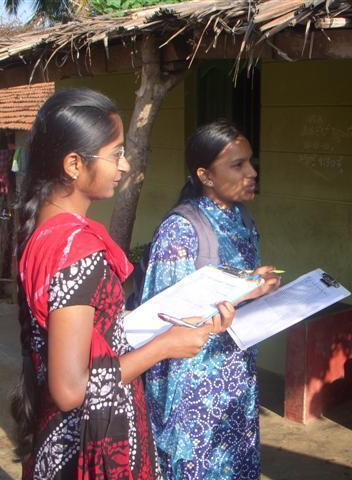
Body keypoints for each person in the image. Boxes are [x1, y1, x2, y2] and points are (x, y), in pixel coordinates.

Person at [10, 89, 235, 480]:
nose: (125, 164)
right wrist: (165, 346)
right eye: (115, 153)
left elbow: (89, 329)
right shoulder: (76, 250)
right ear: (74, 164)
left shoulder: (45, 233)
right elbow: (70, 388)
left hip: (65, 436)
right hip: (92, 443)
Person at [140, 120, 280, 479]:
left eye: (251, 162)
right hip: (193, 391)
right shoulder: (181, 230)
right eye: (238, 165)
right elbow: (163, 321)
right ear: (205, 175)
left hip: (236, 378)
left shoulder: (242, 220)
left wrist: (258, 290)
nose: (252, 173)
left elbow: (232, 294)